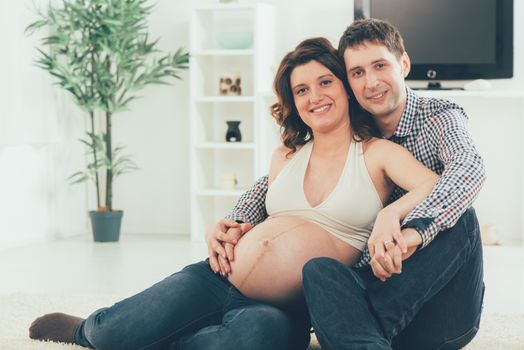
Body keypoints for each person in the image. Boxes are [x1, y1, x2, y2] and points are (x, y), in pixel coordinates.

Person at [29, 37, 439, 350]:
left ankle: (174, 338)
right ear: (293, 103)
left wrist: (391, 215)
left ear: (346, 88)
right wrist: (223, 229)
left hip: (287, 308)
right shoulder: (286, 156)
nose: (315, 97)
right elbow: (258, 213)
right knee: (111, 335)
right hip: (218, 277)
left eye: (325, 82)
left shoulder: (376, 154)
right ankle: (86, 328)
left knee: (241, 342)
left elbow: (432, 185)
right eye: (301, 91)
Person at [213, 19, 486, 349]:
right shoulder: (354, 123)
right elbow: (272, 181)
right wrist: (236, 223)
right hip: (376, 280)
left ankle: (362, 329)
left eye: (380, 66)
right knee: (320, 272)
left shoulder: (439, 115)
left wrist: (405, 224)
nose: (371, 82)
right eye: (357, 73)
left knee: (464, 219)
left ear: (403, 63)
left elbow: (469, 168)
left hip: (438, 312)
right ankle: (360, 332)